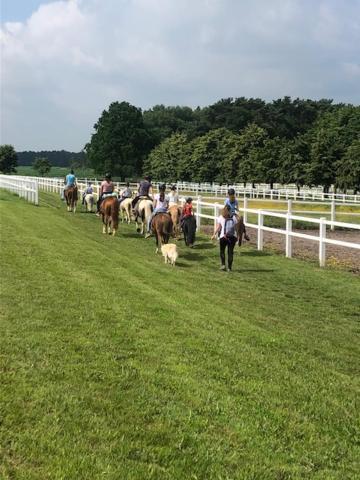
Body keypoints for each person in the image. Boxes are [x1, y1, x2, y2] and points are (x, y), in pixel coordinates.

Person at [212, 205, 238, 271]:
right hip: (232, 237)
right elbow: (236, 228)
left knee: (222, 251)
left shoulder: (221, 217)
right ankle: (229, 267)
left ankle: (223, 265)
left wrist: (214, 234)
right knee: (230, 252)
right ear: (230, 210)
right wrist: (237, 237)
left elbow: (218, 227)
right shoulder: (234, 218)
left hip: (223, 237)